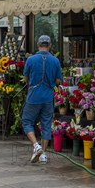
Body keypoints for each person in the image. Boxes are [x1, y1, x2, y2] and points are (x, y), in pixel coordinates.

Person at [22, 35, 62, 164]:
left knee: (27, 121)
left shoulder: (31, 59)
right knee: (46, 125)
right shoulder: (55, 60)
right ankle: (43, 154)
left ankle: (36, 145)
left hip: (34, 95)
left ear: (38, 45)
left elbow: (25, 78)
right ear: (49, 46)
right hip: (48, 96)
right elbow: (58, 80)